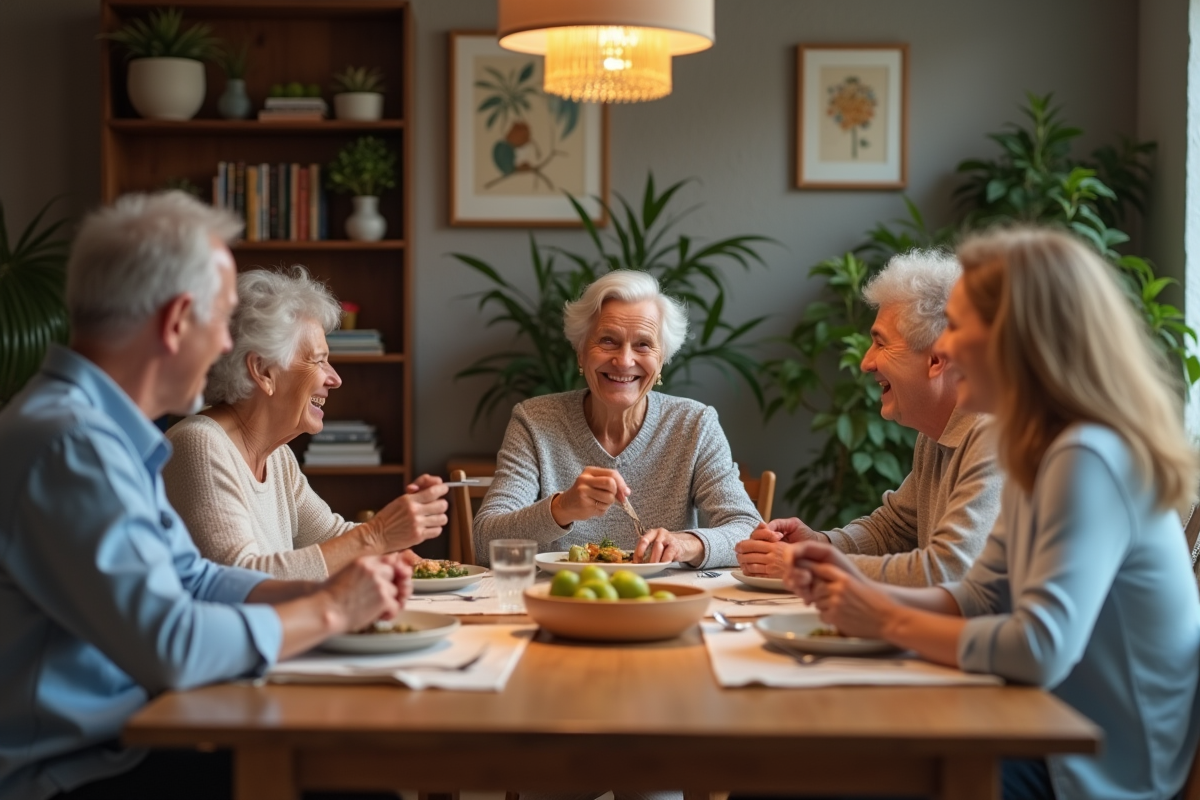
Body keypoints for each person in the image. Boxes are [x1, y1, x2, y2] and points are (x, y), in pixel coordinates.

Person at [0, 192, 414, 800]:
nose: (227, 346)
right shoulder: (72, 444)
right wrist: (331, 613)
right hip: (74, 772)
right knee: (358, 783)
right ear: (175, 323)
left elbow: (191, 577)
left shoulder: (101, 431)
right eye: (221, 320)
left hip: (130, 740)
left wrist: (320, 590)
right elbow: (172, 645)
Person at [784, 228, 1200, 800]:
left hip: (1092, 765)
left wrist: (882, 618)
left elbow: (1039, 648)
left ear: (1016, 337)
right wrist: (847, 587)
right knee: (800, 762)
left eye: (957, 326)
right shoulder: (1039, 446)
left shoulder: (1087, 455)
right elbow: (976, 595)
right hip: (1035, 722)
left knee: (809, 772)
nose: (943, 352)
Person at [162, 266, 448, 580]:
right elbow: (241, 580)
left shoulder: (276, 457)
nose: (335, 379)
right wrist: (378, 535)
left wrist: (401, 540)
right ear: (263, 371)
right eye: (318, 360)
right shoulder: (200, 445)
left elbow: (332, 536)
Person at [737, 250, 1001, 586]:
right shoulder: (936, 435)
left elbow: (950, 570)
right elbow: (894, 529)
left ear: (936, 360)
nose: (866, 362)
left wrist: (817, 566)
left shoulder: (992, 433)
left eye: (880, 343)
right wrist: (819, 544)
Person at [474, 269, 761, 568]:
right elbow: (485, 542)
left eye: (643, 345)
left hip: (664, 605)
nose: (624, 361)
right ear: (581, 353)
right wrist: (562, 508)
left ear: (661, 360)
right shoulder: (534, 421)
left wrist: (685, 544)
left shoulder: (695, 424)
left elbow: (748, 530)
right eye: (608, 341)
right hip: (561, 601)